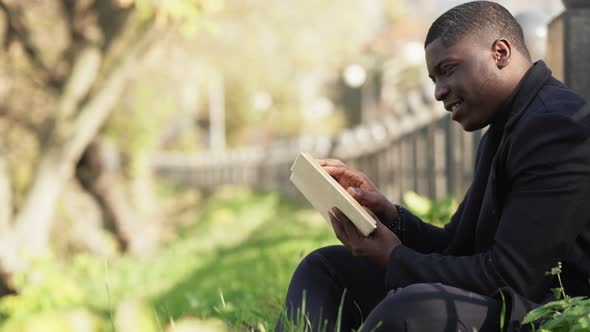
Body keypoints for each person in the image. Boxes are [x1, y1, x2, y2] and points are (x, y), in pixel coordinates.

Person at [275, 1, 590, 331]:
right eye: (433, 78)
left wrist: (393, 257)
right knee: (327, 267)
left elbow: (512, 276)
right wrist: (391, 220)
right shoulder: (506, 127)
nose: (439, 92)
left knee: (413, 309)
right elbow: (459, 247)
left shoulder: (555, 127)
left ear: (500, 52)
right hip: (508, 298)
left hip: (549, 314)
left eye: (448, 69)